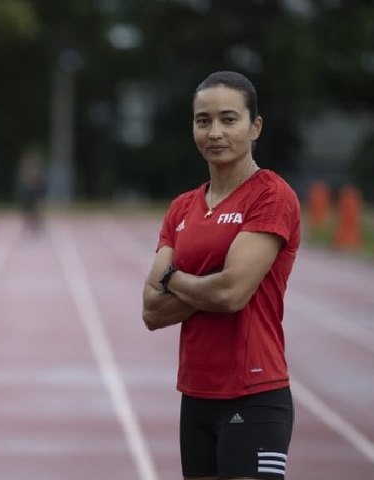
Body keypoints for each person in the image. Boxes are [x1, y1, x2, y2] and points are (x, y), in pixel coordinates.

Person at [141, 71, 300, 480]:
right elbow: (151, 312)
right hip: (195, 396)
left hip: (254, 395)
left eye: (229, 119)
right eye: (203, 120)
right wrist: (206, 283)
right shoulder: (182, 207)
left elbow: (232, 293)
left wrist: (173, 278)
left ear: (255, 126)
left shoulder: (271, 195)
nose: (215, 132)